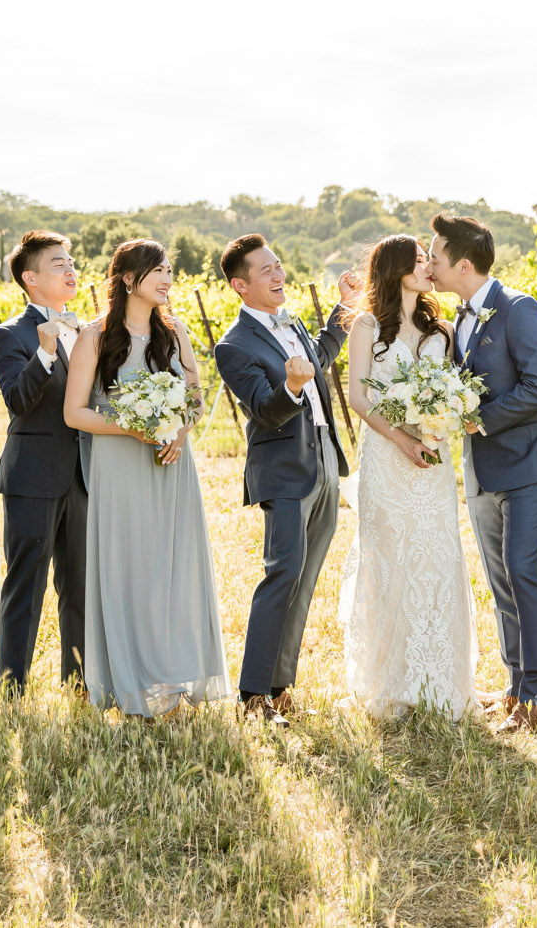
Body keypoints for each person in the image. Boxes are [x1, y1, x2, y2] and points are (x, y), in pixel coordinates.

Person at [63, 240, 230, 716]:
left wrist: (178, 427)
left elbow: (194, 399)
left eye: (169, 270)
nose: (167, 278)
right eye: (157, 270)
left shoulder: (175, 332)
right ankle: (132, 683)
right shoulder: (94, 336)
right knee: (131, 567)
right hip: (120, 465)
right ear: (128, 279)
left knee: (172, 569)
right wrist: (132, 428)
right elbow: (74, 413)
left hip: (172, 464)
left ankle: (171, 678)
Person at [429, 212, 537, 732]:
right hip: (482, 471)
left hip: (531, 466)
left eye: (435, 258)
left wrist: (476, 418)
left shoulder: (518, 309)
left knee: (524, 574)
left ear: (463, 264)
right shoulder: (457, 320)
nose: (429, 265)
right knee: (501, 581)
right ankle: (516, 688)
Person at [213, 235, 358, 726]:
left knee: (307, 575)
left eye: (278, 266)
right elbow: (265, 409)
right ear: (240, 285)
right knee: (282, 574)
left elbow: (317, 358)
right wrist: (291, 387)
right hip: (283, 469)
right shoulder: (233, 345)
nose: (278, 276)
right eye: (266, 271)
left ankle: (281, 686)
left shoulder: (292, 320)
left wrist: (343, 310)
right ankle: (253, 695)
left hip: (324, 458)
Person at [338, 235, 477, 718]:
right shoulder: (366, 326)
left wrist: (443, 422)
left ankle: (441, 680)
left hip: (433, 460)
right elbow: (359, 398)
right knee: (390, 559)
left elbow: (452, 390)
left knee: (435, 559)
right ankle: (393, 680)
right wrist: (402, 438)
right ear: (396, 269)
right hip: (387, 456)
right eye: (418, 261)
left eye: (427, 260)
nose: (427, 268)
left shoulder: (441, 330)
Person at [0, 230, 88, 695]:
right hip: (32, 475)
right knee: (25, 586)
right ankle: (12, 688)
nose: (70, 270)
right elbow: (18, 401)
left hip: (84, 475)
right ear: (30, 278)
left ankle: (79, 683)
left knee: (81, 585)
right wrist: (45, 352)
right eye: (58, 264)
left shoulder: (86, 330)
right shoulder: (10, 334)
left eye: (71, 262)